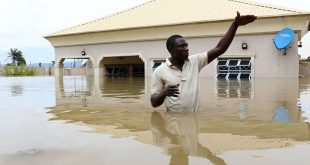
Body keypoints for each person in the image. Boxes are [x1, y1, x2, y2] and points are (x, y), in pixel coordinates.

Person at [150, 12, 256, 111]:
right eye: (182, 46)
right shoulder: (160, 71)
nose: (186, 48)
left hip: (193, 122)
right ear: (170, 49)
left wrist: (235, 25)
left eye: (186, 45)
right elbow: (154, 103)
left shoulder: (195, 61)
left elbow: (220, 49)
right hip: (173, 122)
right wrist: (164, 93)